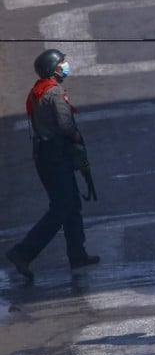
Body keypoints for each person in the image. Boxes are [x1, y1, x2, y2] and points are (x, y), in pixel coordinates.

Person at [6, 50, 100, 282]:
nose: (65, 66)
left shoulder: (38, 92)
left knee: (72, 205)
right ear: (53, 69)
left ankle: (77, 254)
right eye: (61, 64)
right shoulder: (54, 92)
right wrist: (77, 137)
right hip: (57, 155)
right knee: (61, 208)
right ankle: (23, 252)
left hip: (45, 156)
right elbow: (66, 125)